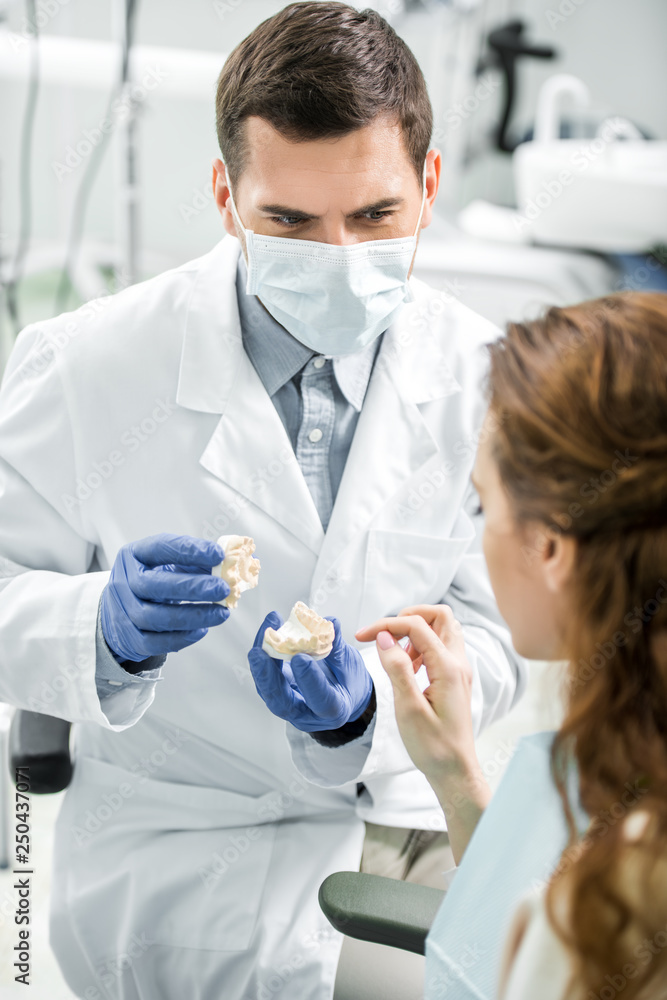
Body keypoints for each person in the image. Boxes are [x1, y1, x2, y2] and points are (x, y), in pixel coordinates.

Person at [0, 4, 526, 998]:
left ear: (429, 185)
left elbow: (494, 632)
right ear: (224, 193)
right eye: (288, 221)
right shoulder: (88, 366)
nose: (335, 256)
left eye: (374, 218)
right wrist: (97, 629)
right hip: (178, 837)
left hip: (403, 814)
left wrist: (368, 703)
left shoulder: (482, 374)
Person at [344, 292, 667, 999]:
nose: (479, 531)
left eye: (485, 505)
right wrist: (455, 774)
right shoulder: (627, 743)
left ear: (550, 546)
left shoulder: (625, 889)